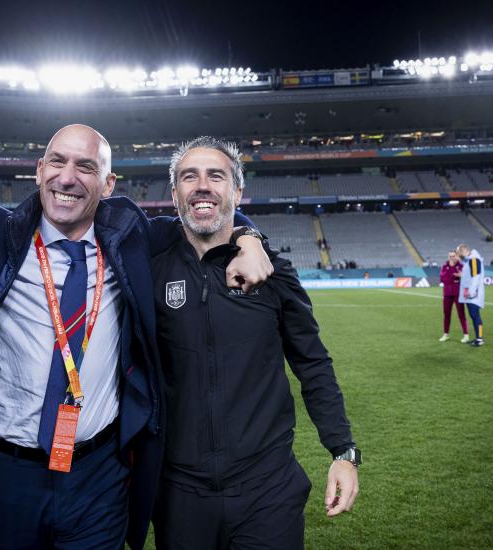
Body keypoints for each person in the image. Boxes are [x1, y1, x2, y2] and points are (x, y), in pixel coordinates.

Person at [0, 104, 273, 550]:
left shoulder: (132, 236)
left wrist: (248, 238)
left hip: (99, 473)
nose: (67, 177)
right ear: (39, 171)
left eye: (86, 167)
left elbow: (208, 214)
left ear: (108, 184)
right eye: (57, 162)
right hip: (6, 472)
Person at [151, 137, 359, 549]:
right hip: (179, 493)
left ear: (237, 191)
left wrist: (342, 451)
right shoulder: (150, 269)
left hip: (267, 489)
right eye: (189, 177)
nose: (202, 185)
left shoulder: (275, 274)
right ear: (175, 194)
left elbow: (312, 362)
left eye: (217, 175)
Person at [457, 243, 485, 347]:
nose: (459, 255)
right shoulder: (470, 259)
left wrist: (472, 292)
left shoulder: (473, 259)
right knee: (474, 316)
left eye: (460, 252)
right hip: (471, 293)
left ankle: (480, 339)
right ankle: (478, 337)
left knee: (475, 316)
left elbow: (476, 277)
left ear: (464, 250)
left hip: (473, 294)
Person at [438, 250, 469, 342]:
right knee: (446, 315)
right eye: (450, 256)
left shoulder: (461, 266)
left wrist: (460, 277)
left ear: (457, 256)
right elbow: (443, 279)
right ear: (448, 257)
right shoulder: (444, 266)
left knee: (461, 314)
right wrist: (454, 277)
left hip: (458, 294)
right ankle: (446, 334)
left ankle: (466, 335)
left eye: (453, 256)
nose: (452, 257)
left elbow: (466, 279)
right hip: (447, 294)